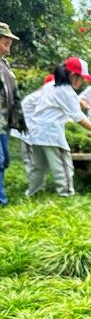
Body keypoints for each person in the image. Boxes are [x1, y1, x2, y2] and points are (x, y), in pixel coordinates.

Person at [26, 57, 91, 197]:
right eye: (82, 78)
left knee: (38, 167)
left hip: (36, 132)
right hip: (51, 134)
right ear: (73, 75)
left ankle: (32, 193)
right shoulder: (67, 92)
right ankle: (66, 195)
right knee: (63, 166)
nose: (82, 82)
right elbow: (79, 117)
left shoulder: (50, 85)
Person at [0, 22, 27, 206]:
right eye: (6, 42)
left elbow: (13, 93)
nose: (9, 48)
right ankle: (1, 200)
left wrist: (20, 119)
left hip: (5, 121)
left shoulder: (4, 64)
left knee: (5, 159)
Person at [16, 73, 54, 188]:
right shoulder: (38, 97)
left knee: (40, 161)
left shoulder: (46, 97)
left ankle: (39, 185)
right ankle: (35, 187)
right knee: (31, 161)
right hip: (28, 134)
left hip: (38, 134)